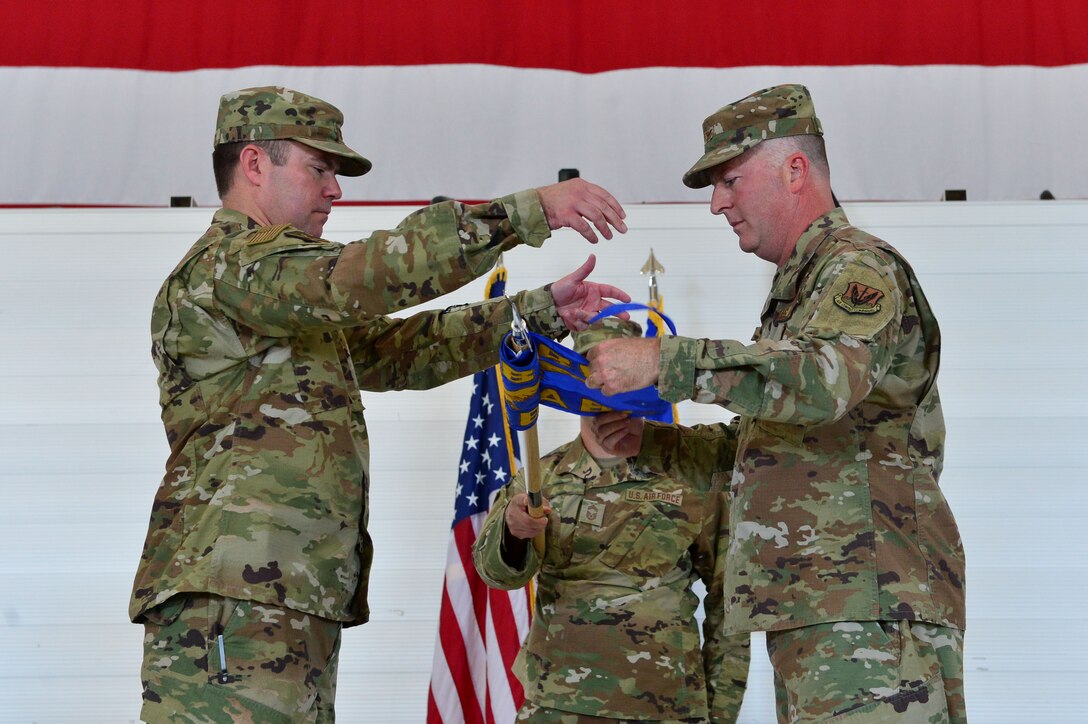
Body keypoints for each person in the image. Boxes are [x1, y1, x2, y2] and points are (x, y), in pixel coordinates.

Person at [129, 85, 633, 722]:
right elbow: (371, 275)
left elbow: (400, 350)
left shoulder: (280, 297)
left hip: (283, 598)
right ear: (254, 165)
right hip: (230, 600)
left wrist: (534, 314)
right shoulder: (229, 269)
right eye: (319, 169)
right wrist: (525, 213)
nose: (334, 190)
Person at [586, 85, 967, 722]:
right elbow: (770, 445)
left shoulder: (856, 268)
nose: (716, 204)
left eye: (730, 180)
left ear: (795, 169)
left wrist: (666, 361)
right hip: (828, 609)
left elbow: (823, 383)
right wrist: (649, 441)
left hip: (870, 610)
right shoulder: (799, 290)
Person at [473, 318, 750, 723]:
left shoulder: (691, 472)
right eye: (595, 388)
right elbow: (495, 574)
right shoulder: (540, 475)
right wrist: (514, 533)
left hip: (667, 704)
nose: (608, 403)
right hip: (559, 703)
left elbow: (730, 605)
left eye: (620, 385)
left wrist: (720, 714)